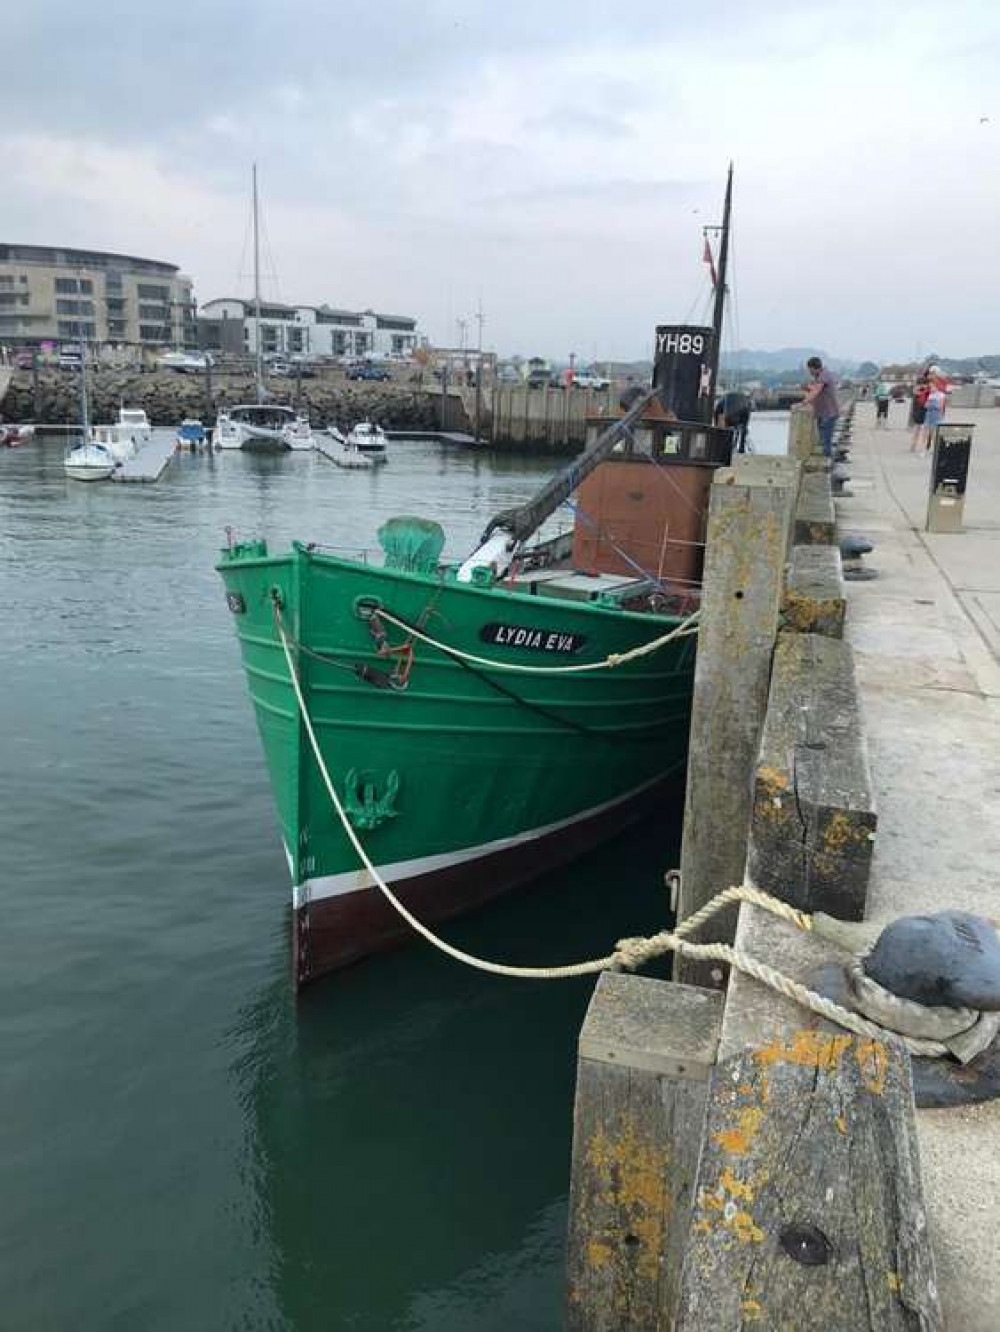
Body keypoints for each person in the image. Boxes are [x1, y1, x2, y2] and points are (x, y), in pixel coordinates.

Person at [802, 356, 839, 456]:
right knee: (823, 440)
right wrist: (807, 388)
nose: (809, 372)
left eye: (810, 370)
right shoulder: (819, 376)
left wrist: (803, 403)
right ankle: (826, 458)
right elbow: (815, 389)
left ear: (815, 368)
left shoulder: (824, 375)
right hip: (822, 413)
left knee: (826, 441)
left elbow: (816, 390)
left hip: (828, 413)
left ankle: (827, 462)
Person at [909, 371, 931, 453]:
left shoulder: (925, 389)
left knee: (921, 428)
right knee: (921, 428)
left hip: (922, 410)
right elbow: (916, 393)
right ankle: (916, 446)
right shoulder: (924, 388)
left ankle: (917, 446)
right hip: (921, 410)